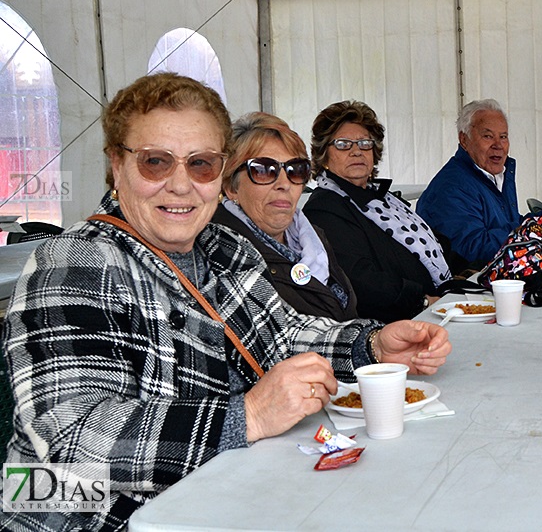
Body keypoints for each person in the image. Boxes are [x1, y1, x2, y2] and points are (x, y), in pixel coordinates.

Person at [0, 73, 452, 531]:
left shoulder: (220, 248)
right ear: (117, 166)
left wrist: (373, 346)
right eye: (156, 162)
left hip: (218, 499)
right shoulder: (77, 260)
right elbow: (75, 437)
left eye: (201, 165)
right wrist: (249, 415)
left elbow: (285, 335)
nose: (181, 185)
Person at [302, 100, 452, 323]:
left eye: (364, 143)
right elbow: (358, 279)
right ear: (323, 156)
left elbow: (427, 246)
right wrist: (423, 300)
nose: (356, 152)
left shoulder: (383, 199)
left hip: (436, 308)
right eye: (343, 144)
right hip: (392, 326)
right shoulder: (324, 208)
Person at [211, 111, 358, 321]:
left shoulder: (312, 236)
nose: (284, 184)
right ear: (231, 187)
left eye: (296, 170)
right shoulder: (224, 252)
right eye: (263, 170)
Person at [417, 99, 522, 266]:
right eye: (488, 136)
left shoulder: (494, 175)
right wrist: (524, 233)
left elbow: (507, 222)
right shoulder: (452, 187)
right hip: (467, 284)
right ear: (464, 140)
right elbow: (473, 249)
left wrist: (540, 223)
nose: (498, 145)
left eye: (503, 137)